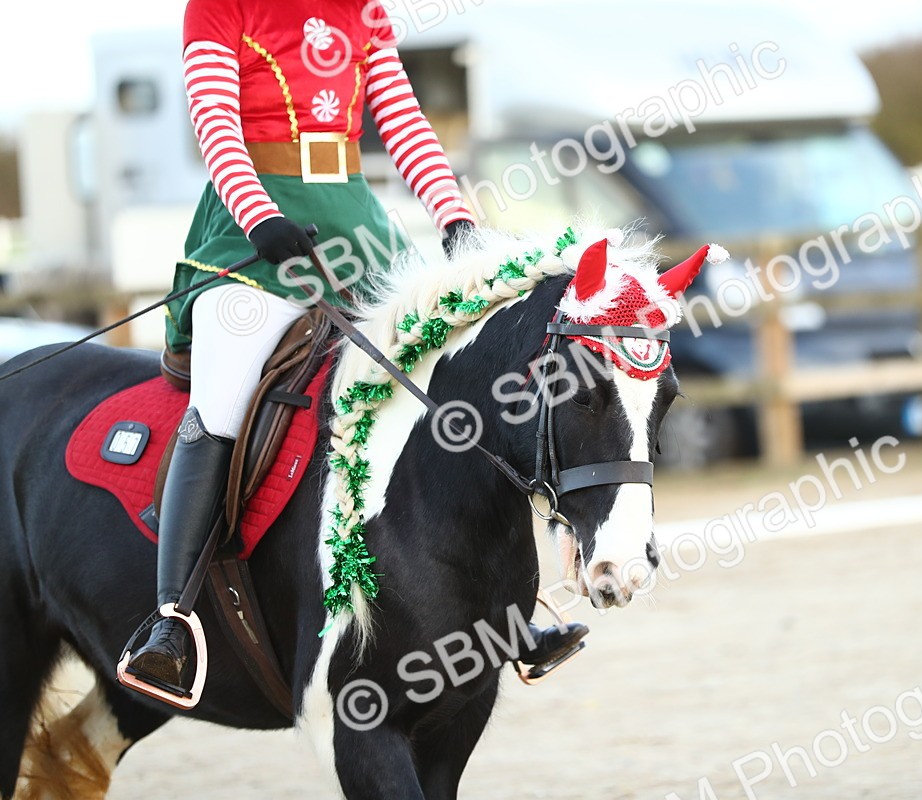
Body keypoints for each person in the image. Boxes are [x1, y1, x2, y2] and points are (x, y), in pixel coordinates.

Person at [122, 0, 586, 700]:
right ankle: (173, 622)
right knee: (222, 399)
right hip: (250, 232)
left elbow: (400, 120)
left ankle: (513, 610)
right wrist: (259, 217)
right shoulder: (219, 7)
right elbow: (215, 126)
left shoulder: (361, 11)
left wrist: (454, 218)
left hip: (354, 221)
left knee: (445, 377)